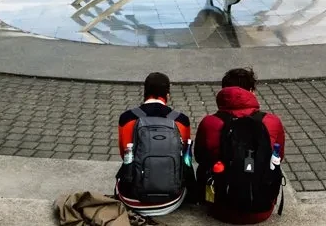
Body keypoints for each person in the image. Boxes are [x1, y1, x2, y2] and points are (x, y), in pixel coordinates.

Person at [195, 67, 286, 224]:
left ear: (224, 92)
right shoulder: (272, 121)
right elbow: (279, 156)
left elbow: (199, 157)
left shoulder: (209, 122)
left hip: (219, 209)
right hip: (262, 210)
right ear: (251, 91)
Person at [115, 72, 192, 217]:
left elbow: (124, 156)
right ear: (167, 95)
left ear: (145, 93)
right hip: (171, 200)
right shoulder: (182, 120)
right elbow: (185, 159)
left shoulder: (126, 118)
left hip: (132, 200)